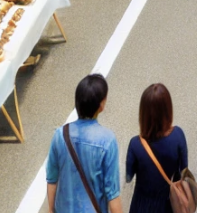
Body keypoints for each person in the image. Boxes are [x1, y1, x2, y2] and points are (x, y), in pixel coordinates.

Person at [46, 74, 123, 213]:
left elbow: (52, 178)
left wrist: (51, 210)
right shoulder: (107, 141)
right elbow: (112, 194)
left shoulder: (60, 135)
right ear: (101, 106)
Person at [124, 84, 189, 213]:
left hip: (141, 206)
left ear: (143, 113)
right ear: (168, 110)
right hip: (169, 205)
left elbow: (128, 177)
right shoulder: (178, 135)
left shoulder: (135, 144)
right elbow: (184, 171)